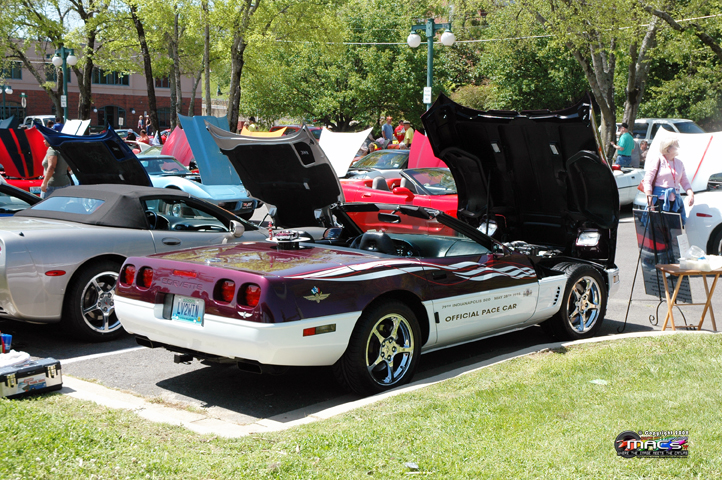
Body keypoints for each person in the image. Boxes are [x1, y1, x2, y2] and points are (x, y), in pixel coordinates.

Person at [642, 137, 694, 223]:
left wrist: (691, 194)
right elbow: (647, 181)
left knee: (675, 230)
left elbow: (685, 182)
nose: (678, 147)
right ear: (668, 148)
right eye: (676, 145)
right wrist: (650, 200)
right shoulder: (657, 160)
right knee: (659, 229)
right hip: (659, 202)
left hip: (675, 202)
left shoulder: (679, 163)